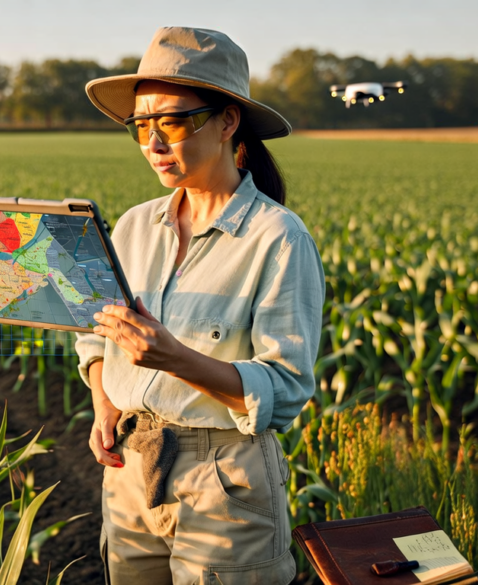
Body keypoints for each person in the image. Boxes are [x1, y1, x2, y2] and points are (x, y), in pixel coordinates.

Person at [75, 27, 325, 584]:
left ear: (228, 120)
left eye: (173, 121)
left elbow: (283, 390)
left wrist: (173, 358)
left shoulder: (278, 238)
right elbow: (95, 333)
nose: (153, 144)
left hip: (226, 482)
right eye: (141, 126)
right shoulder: (135, 224)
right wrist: (104, 402)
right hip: (129, 467)